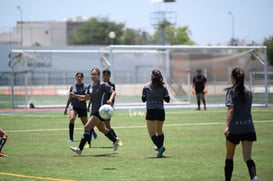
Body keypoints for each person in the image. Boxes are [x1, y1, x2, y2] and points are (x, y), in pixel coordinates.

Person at [70, 68, 120, 155]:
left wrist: (110, 100)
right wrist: (75, 96)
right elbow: (87, 97)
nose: (93, 76)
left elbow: (113, 92)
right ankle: (115, 140)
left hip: (100, 111)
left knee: (87, 127)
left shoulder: (103, 85)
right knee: (102, 129)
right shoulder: (90, 86)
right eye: (92, 74)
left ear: (98, 75)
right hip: (93, 111)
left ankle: (79, 149)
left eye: (95, 74)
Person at [224, 67, 258, 181]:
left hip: (234, 129)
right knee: (248, 157)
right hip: (248, 127)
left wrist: (227, 126)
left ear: (233, 78)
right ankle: (254, 177)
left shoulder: (231, 92)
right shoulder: (249, 92)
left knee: (229, 156)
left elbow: (231, 109)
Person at [142, 69, 170, 158]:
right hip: (161, 111)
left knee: (152, 133)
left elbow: (143, 100)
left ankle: (160, 147)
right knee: (159, 131)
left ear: (151, 77)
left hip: (151, 111)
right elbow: (167, 100)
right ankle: (160, 149)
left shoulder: (146, 86)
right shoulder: (163, 87)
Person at [64, 72, 96, 147]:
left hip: (82, 107)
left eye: (80, 77)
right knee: (72, 119)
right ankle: (71, 138)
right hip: (74, 106)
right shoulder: (72, 87)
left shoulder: (85, 87)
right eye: (77, 77)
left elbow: (85, 97)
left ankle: (92, 131)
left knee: (86, 124)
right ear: (75, 78)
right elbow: (70, 97)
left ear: (82, 78)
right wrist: (66, 108)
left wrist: (77, 97)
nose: (79, 78)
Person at [101, 69, 122, 146]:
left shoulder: (111, 85)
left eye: (107, 75)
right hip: (98, 108)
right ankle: (88, 143)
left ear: (109, 76)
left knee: (107, 127)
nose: (106, 77)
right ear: (102, 76)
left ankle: (116, 139)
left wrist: (110, 104)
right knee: (91, 126)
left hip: (106, 109)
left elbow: (113, 95)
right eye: (104, 75)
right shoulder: (99, 84)